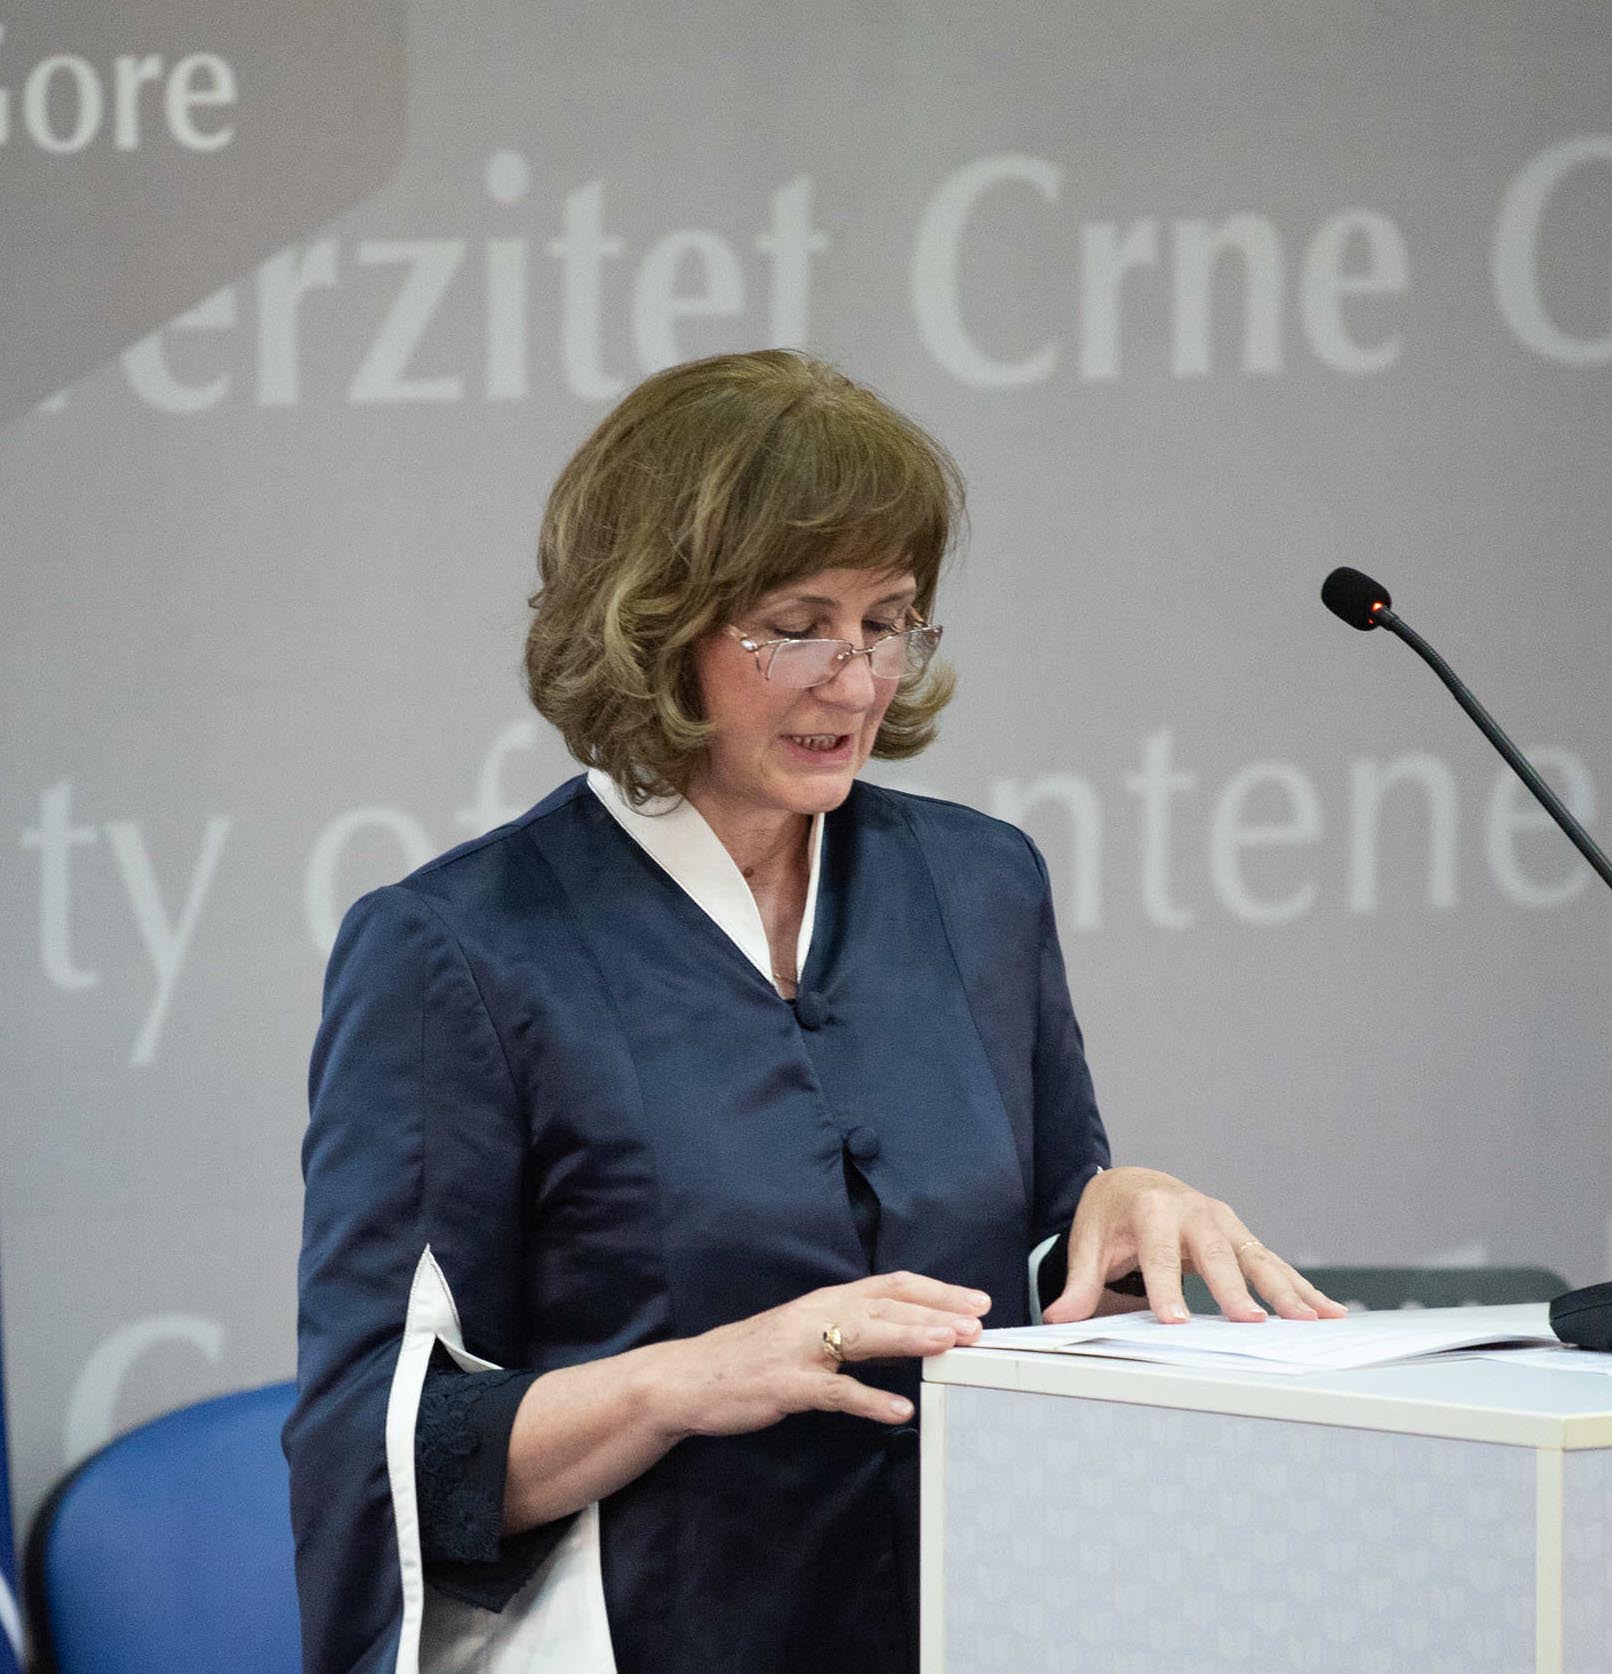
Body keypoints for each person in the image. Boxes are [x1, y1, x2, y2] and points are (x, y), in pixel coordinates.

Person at [283, 349, 1343, 1674]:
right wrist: (682, 1379)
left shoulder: (979, 886)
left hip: (978, 1625)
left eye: (887, 621)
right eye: (797, 625)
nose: (855, 681)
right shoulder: (460, 949)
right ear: (651, 622)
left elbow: (1033, 1280)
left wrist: (1119, 1223)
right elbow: (381, 1446)